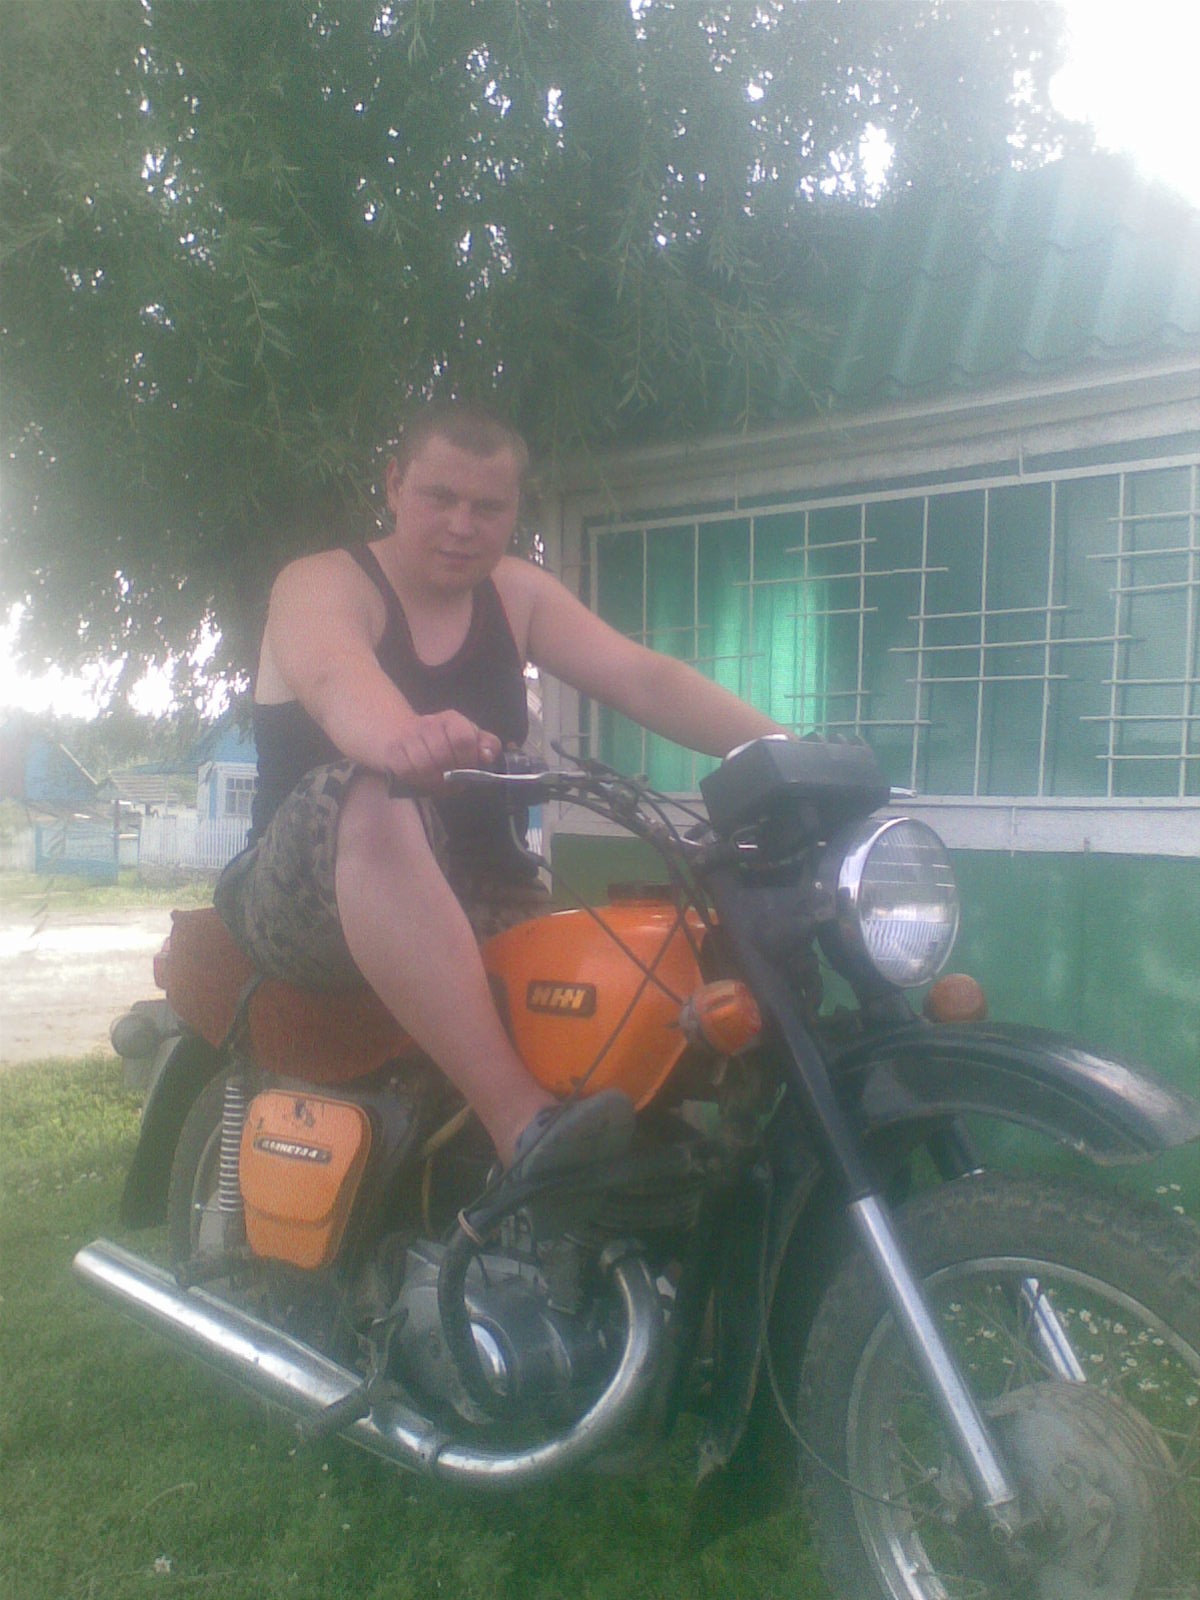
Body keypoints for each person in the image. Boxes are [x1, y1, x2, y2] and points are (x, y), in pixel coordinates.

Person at [215, 402, 785, 1184]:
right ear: (394, 485)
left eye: (488, 507)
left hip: (480, 890)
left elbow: (645, 678)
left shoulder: (517, 593)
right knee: (375, 794)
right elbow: (334, 675)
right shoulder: (320, 582)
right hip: (304, 896)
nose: (462, 525)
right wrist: (405, 739)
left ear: (515, 511)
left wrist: (787, 755)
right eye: (439, 497)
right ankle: (522, 1125)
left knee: (637, 970)